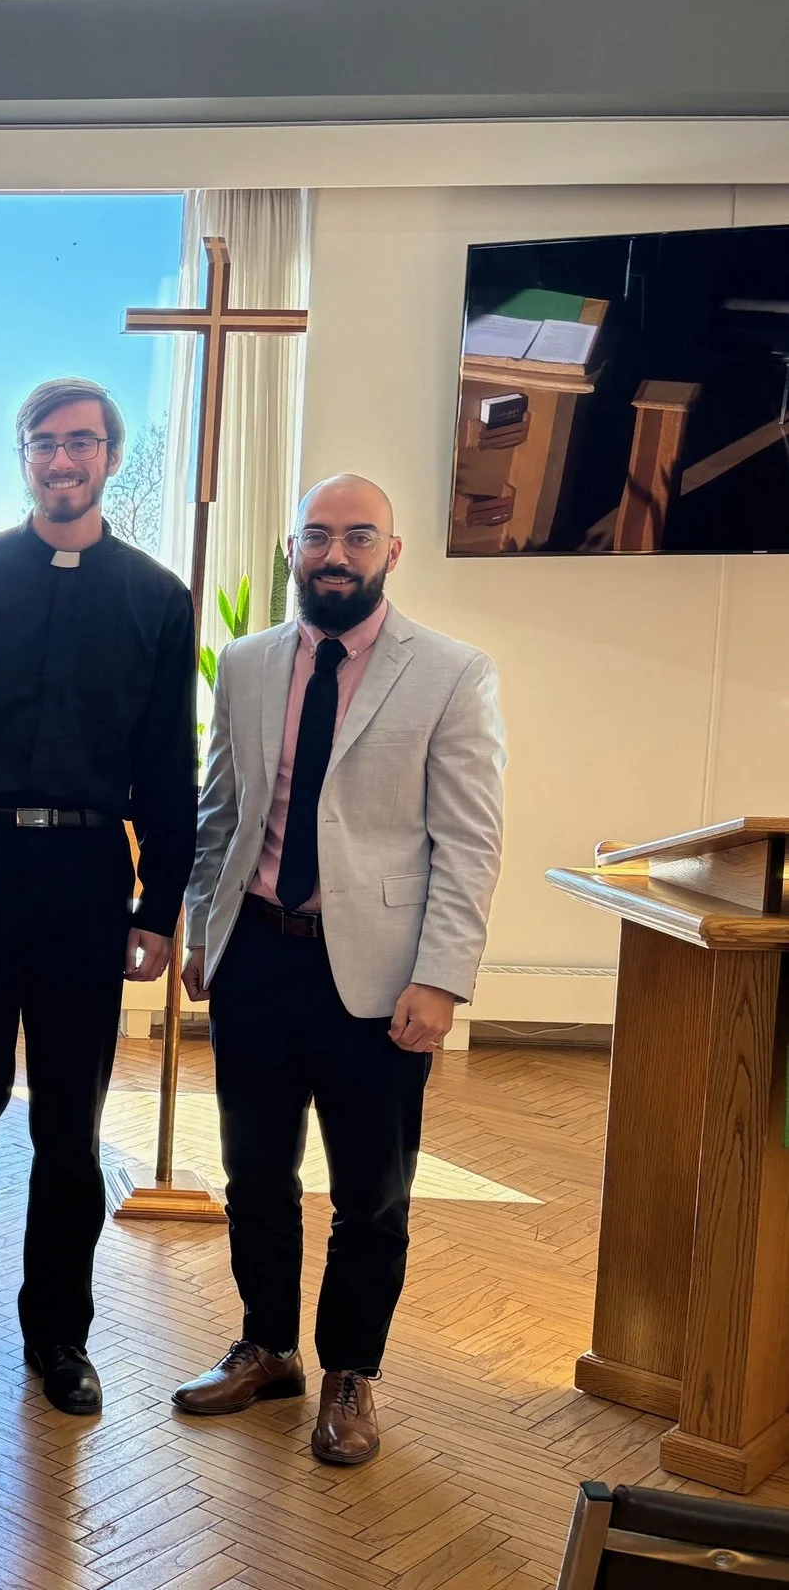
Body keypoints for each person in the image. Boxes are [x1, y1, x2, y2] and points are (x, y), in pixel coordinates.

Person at [173, 474, 505, 1465]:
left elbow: (469, 841)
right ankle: (266, 1347)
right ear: (291, 552)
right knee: (254, 1175)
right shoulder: (243, 664)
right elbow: (220, 813)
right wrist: (202, 933)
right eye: (316, 537)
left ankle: (350, 1374)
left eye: (358, 537)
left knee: (371, 1192)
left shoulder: (450, 672)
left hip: (378, 978)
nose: (335, 554)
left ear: (390, 554)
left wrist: (441, 978)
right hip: (257, 959)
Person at [0, 377, 196, 1417]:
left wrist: (157, 908)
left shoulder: (154, 597)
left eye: (81, 444)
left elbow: (164, 767)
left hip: (82, 882)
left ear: (109, 456)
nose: (62, 462)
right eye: (43, 445)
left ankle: (59, 1335)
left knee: (70, 1128)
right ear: (21, 456)